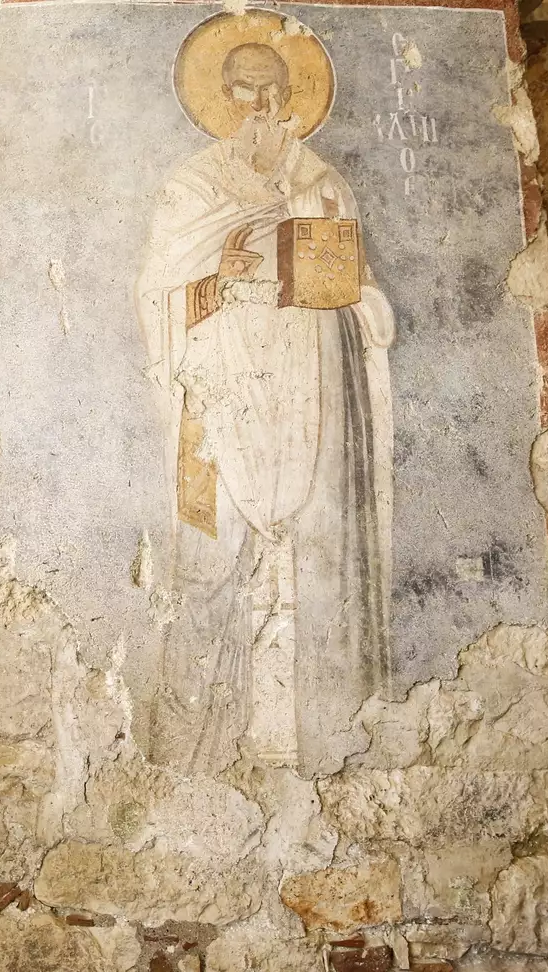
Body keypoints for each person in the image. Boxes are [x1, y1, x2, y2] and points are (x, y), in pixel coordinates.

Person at [136, 32, 397, 777]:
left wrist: (364, 302)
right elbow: (159, 296)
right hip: (215, 404)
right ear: (222, 100)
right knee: (205, 562)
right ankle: (198, 755)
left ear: (292, 101)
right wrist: (228, 273)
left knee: (317, 559)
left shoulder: (322, 184)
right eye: (244, 89)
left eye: (273, 91)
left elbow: (351, 278)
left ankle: (327, 748)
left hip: (309, 394)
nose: (259, 104)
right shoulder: (191, 190)